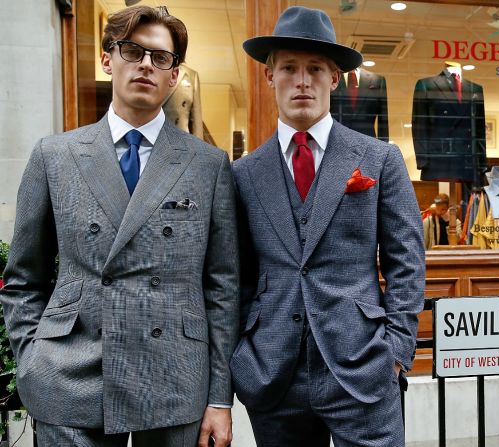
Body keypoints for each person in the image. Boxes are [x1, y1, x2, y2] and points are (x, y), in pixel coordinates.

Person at [0, 5, 238, 446]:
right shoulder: (55, 156)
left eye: (161, 58)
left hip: (173, 378)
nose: (146, 64)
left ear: (174, 76)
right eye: (133, 50)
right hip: (71, 374)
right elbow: (22, 279)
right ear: (109, 60)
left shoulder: (208, 164)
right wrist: (31, 360)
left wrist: (220, 398)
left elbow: (221, 288)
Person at [231, 6, 425, 447]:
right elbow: (234, 275)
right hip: (273, 373)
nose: (302, 81)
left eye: (315, 69)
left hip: (363, 368)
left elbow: (406, 263)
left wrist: (395, 352)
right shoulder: (243, 174)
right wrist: (242, 356)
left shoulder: (378, 158)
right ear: (269, 76)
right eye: (290, 68)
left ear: (335, 78)